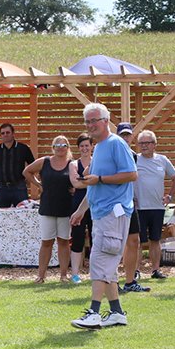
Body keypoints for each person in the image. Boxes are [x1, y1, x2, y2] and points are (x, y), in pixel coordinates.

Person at [70, 103, 137, 329]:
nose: (90, 125)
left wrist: (99, 179)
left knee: (99, 262)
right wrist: (81, 210)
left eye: (94, 121)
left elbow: (132, 174)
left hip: (113, 213)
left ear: (106, 121)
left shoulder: (116, 143)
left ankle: (94, 313)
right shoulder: (98, 148)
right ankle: (117, 313)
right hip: (101, 213)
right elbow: (94, 185)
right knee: (107, 265)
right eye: (87, 122)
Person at [23, 135, 73, 283]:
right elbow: (26, 171)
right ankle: (41, 276)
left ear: (68, 148)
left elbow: (79, 180)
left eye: (63, 145)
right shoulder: (44, 162)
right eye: (57, 145)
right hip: (47, 208)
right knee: (46, 242)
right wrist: (38, 185)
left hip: (65, 208)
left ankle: (63, 275)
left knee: (63, 242)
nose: (60, 148)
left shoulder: (72, 164)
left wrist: (75, 188)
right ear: (53, 147)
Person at [134, 129, 175, 280]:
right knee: (138, 241)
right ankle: (135, 271)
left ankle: (155, 270)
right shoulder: (134, 159)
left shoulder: (162, 160)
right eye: (141, 143)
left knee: (155, 240)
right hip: (139, 208)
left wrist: (170, 196)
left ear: (154, 144)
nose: (144, 146)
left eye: (147, 143)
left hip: (157, 207)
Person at [115, 123, 149, 293]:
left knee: (134, 240)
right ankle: (112, 282)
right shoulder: (111, 153)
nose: (125, 138)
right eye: (122, 135)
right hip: (114, 204)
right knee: (114, 242)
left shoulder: (134, 156)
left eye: (128, 135)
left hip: (128, 203)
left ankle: (130, 281)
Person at [0, 122, 35, 207]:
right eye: (3, 133)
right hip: (2, 188)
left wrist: (28, 179)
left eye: (7, 132)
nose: (5, 135)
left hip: (19, 187)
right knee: (0, 213)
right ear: (0, 135)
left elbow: (33, 165)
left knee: (22, 213)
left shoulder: (23, 148)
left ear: (13, 133)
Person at [68, 133, 93, 284]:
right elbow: (75, 184)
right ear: (78, 148)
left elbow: (82, 182)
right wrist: (93, 181)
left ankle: (95, 273)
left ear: (92, 146)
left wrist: (84, 180)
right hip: (78, 203)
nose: (84, 148)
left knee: (96, 237)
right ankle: (75, 274)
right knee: (77, 238)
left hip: (95, 203)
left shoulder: (96, 161)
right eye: (82, 146)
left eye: (87, 145)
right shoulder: (73, 164)